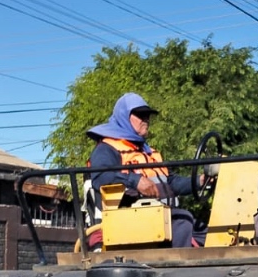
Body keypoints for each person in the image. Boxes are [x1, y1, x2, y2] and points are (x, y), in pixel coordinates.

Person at [85, 93, 201, 248]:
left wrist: (200, 181)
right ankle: (179, 268)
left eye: (147, 115)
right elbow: (101, 177)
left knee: (209, 229)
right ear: (124, 117)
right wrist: (135, 181)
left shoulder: (150, 153)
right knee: (183, 221)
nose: (146, 119)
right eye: (140, 114)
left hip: (160, 217)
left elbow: (172, 183)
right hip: (126, 221)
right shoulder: (106, 149)